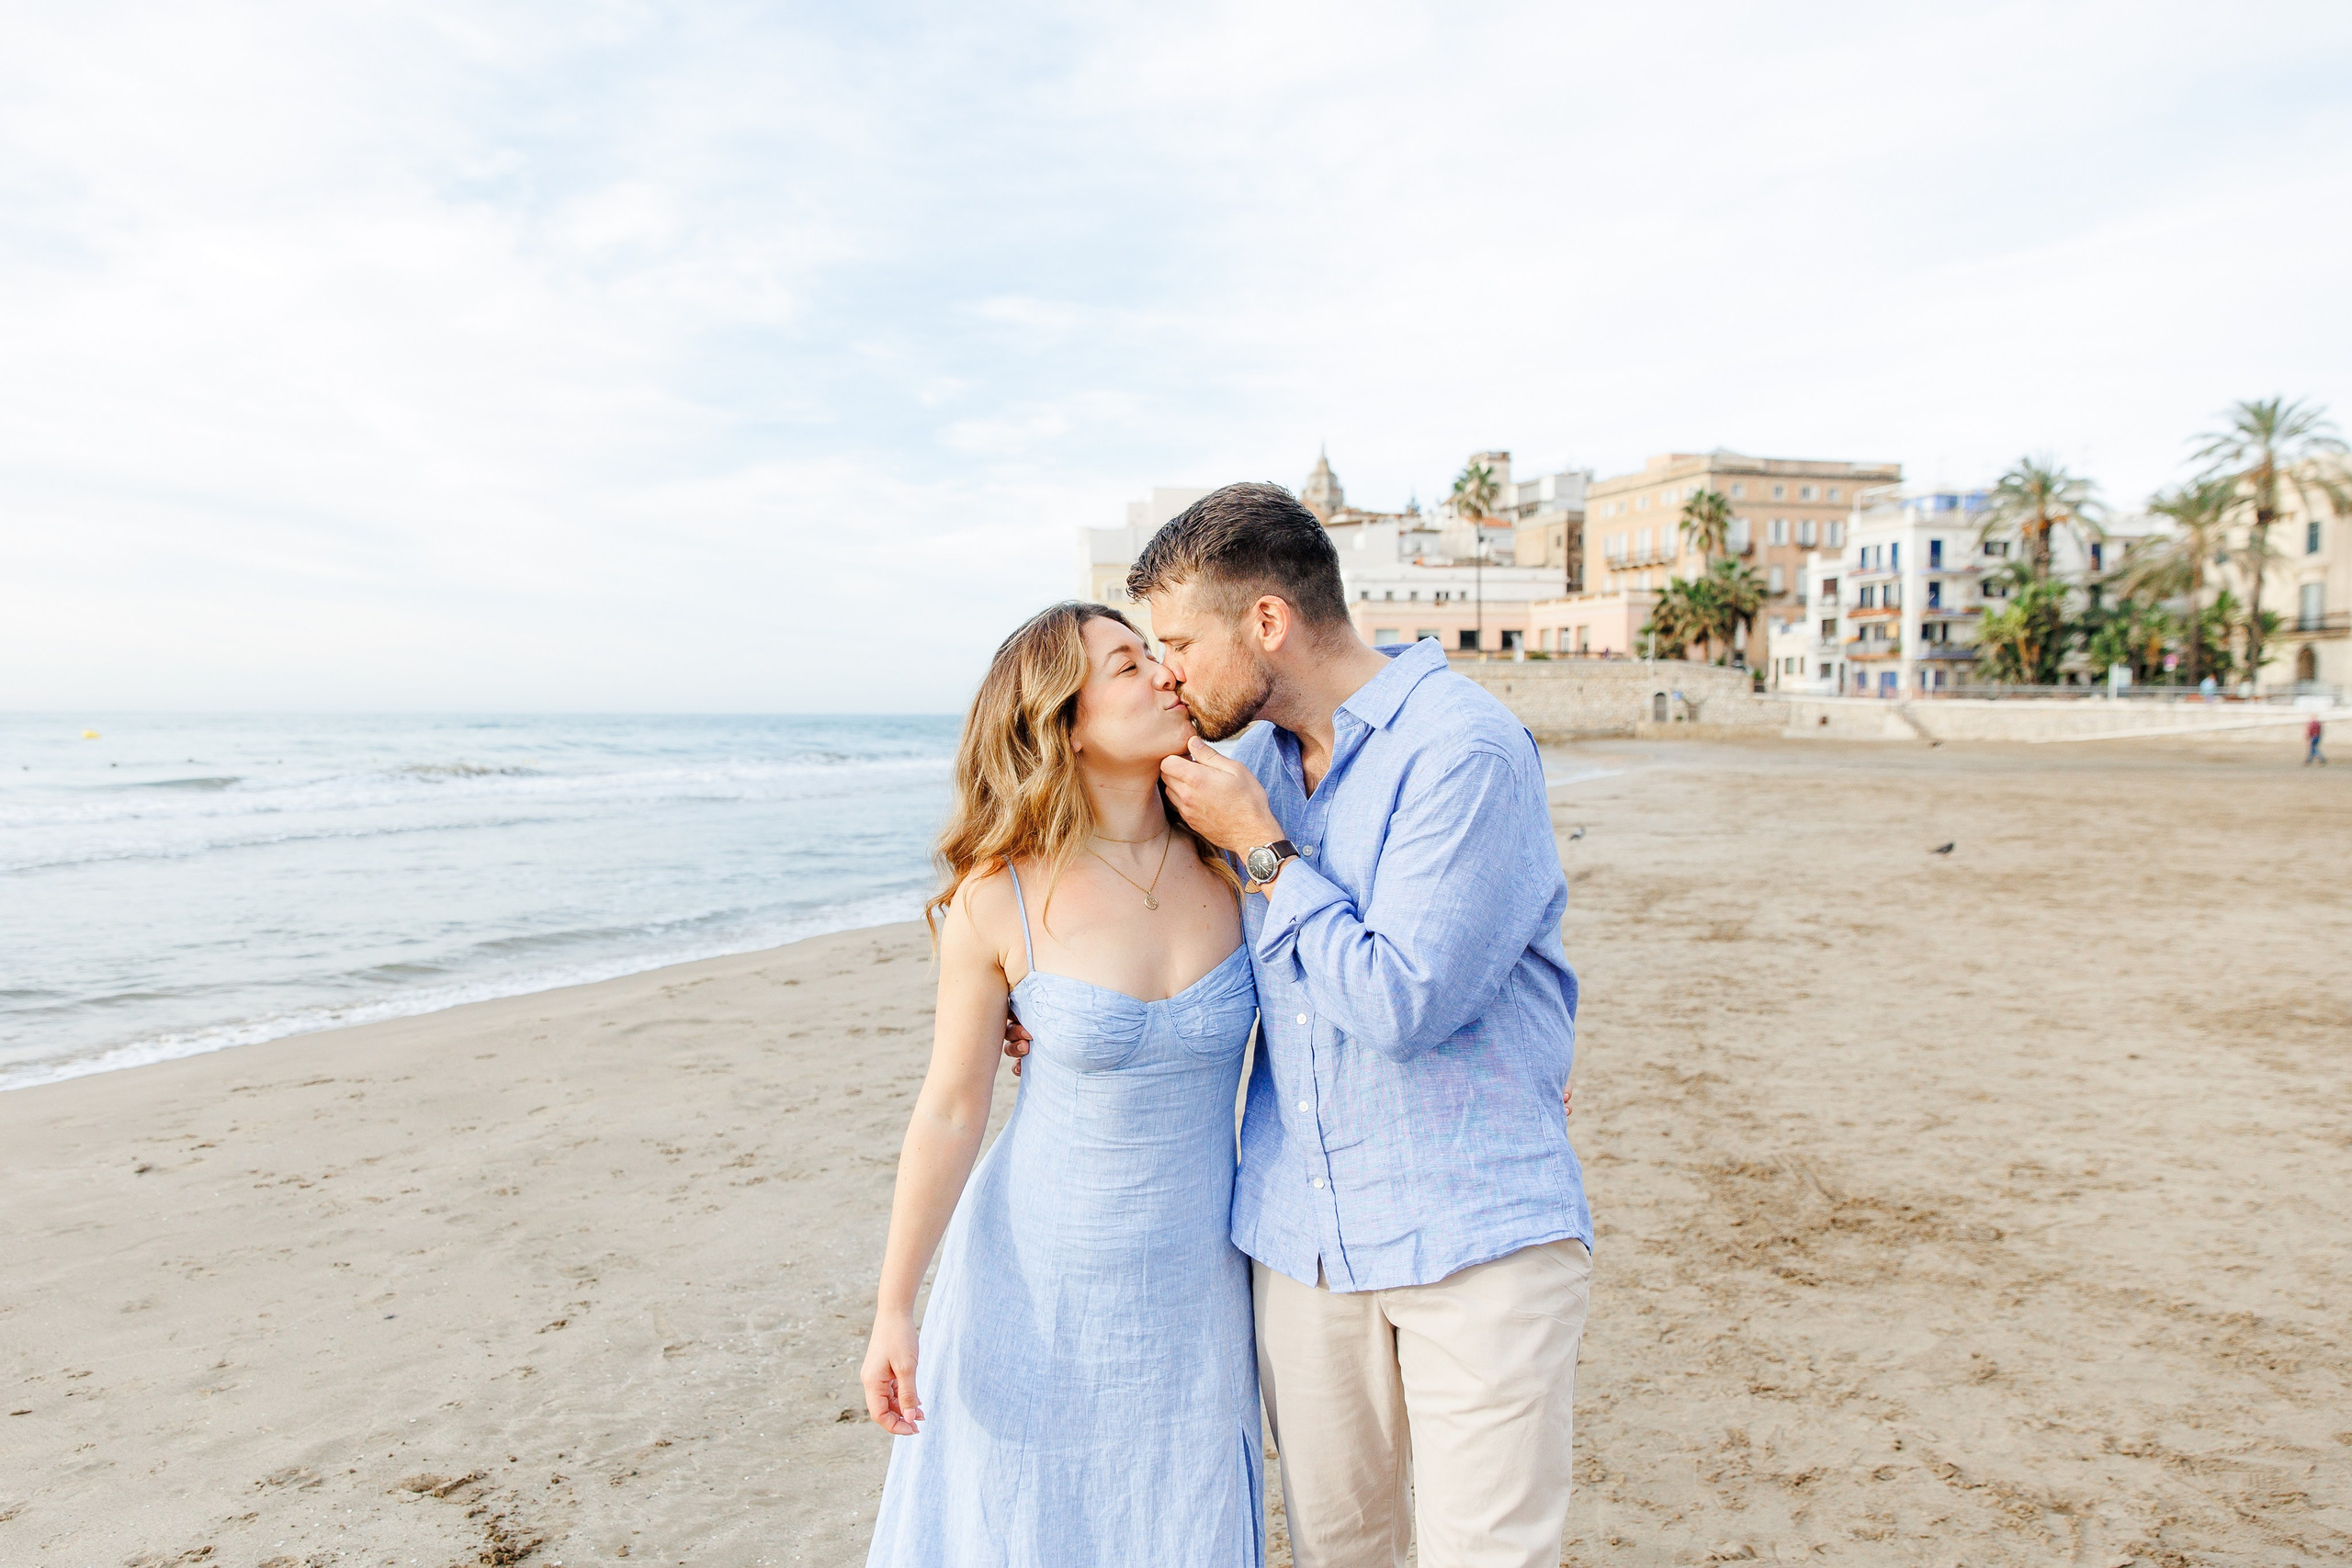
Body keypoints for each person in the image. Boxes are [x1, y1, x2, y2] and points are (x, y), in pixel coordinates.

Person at [1119, 482, 1591, 1568]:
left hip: (1472, 1234)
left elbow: (1399, 1002)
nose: (1167, 672)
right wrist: (1039, 1010)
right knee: (1340, 1553)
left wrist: (1265, 851)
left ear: (1267, 621)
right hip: (1301, 1244)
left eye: (1179, 642)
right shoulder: (1250, 769)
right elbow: (1175, 939)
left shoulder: (1460, 749)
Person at [860, 603, 1263, 1566]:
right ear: (1065, 723)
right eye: (1127, 665)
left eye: (1156, 653)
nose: (1165, 673)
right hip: (1033, 1283)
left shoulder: (1237, 861)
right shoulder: (997, 896)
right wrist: (893, 1308)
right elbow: (951, 1109)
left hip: (1198, 1287)